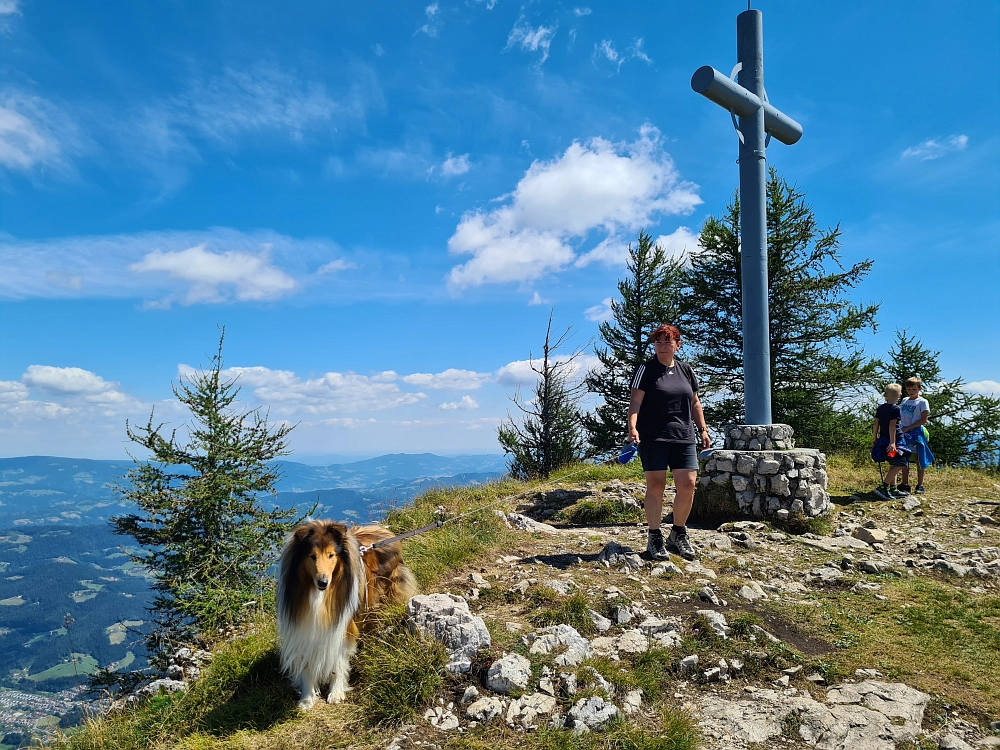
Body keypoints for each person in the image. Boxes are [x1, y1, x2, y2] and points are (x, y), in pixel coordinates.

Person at [627, 324, 711, 561]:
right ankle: (654, 536)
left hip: (684, 436)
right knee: (656, 485)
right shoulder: (646, 369)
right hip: (653, 436)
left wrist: (703, 430)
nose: (662, 347)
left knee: (688, 484)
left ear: (677, 345)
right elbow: (636, 402)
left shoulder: (686, 370)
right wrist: (632, 427)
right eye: (658, 342)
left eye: (667, 342)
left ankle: (678, 532)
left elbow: (695, 402)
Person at [871, 383, 910, 500]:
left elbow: (876, 424)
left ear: (885, 395)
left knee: (894, 463)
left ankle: (893, 489)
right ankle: (883, 487)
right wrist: (893, 443)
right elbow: (892, 426)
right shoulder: (896, 409)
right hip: (896, 440)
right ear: (900, 395)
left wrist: (874, 439)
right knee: (901, 462)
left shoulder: (881, 408)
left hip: (883, 439)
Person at [899, 377, 934, 494]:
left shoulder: (922, 402)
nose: (911, 391)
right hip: (903, 433)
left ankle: (920, 485)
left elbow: (924, 420)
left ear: (919, 388)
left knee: (919, 459)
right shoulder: (904, 400)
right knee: (904, 459)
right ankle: (905, 484)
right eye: (908, 389)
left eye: (914, 389)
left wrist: (908, 428)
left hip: (915, 433)